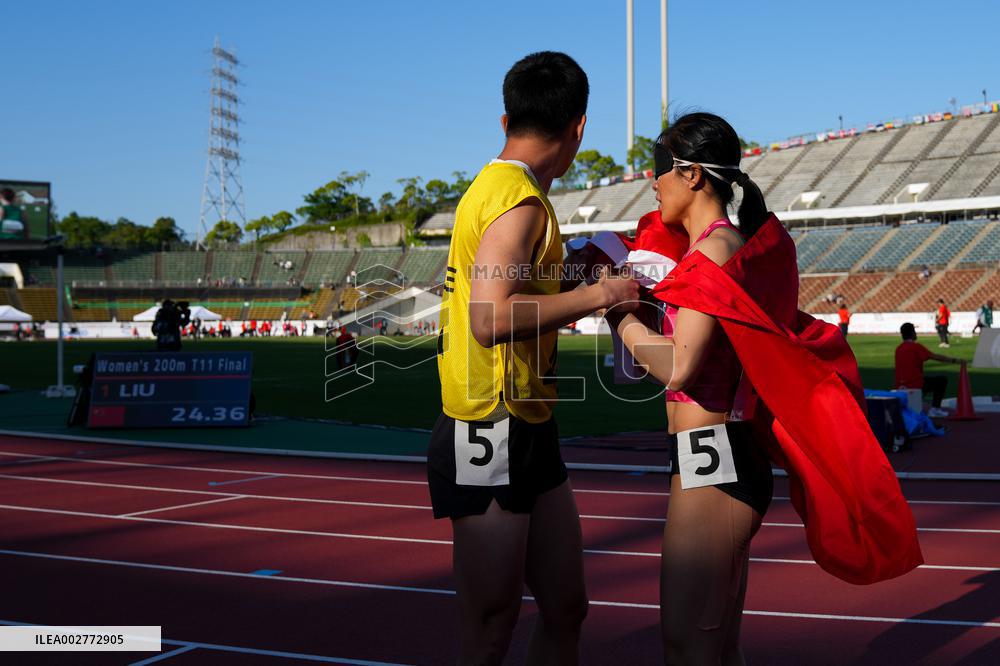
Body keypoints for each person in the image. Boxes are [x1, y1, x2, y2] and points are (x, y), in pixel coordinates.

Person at [606, 113, 921, 663]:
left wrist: (617, 313)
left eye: (660, 171)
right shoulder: (712, 248)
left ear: (692, 174)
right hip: (712, 457)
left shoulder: (715, 250)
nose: (652, 185)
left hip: (713, 459)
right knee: (713, 646)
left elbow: (679, 367)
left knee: (688, 643)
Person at [428, 51, 639, 665]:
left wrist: (576, 271)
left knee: (566, 607)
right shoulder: (516, 201)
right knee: (491, 622)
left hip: (527, 420)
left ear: (506, 120)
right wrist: (600, 295)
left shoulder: (509, 192)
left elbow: (514, 288)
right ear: (579, 126)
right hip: (489, 423)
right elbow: (490, 319)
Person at [895, 322, 965, 416]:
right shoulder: (916, 347)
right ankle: (935, 409)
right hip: (915, 385)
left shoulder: (899, 348)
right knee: (941, 381)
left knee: (928, 381)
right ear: (912, 333)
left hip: (900, 386)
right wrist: (955, 360)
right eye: (914, 331)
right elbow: (935, 357)